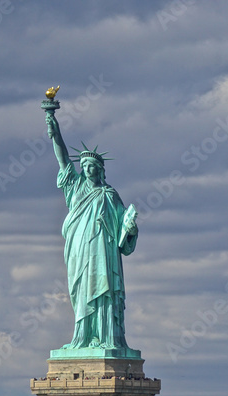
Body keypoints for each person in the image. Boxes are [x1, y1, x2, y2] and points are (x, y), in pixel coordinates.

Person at [46, 111, 138, 351]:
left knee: (103, 291)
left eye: (91, 166)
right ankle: (83, 337)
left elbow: (122, 233)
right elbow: (63, 159)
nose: (87, 169)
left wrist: (130, 228)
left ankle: (106, 338)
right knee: (81, 291)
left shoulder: (109, 195)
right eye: (84, 165)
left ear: (99, 169)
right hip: (79, 250)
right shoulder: (74, 187)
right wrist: (55, 131)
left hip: (103, 254)